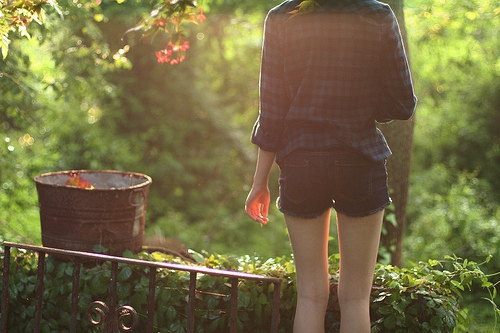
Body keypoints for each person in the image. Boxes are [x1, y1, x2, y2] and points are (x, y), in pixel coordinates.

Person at [245, 0, 417, 332]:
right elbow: (403, 102)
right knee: (355, 299)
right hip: (359, 159)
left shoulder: (282, 17)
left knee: (310, 295)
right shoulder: (376, 15)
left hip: (300, 161)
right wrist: (362, 105)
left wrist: (260, 182)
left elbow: (272, 111)